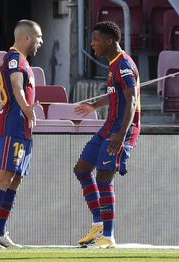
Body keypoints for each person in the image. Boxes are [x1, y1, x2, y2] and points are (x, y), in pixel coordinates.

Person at [0, 19, 43, 249]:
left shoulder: (25, 62)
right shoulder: (14, 58)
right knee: (5, 175)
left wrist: (29, 115)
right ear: (27, 38)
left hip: (23, 127)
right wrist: (27, 110)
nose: (41, 42)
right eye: (39, 38)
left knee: (16, 177)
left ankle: (0, 231)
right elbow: (16, 86)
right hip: (13, 123)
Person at [74, 21, 141, 248]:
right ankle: (98, 223)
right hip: (108, 126)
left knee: (104, 176)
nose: (92, 44)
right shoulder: (113, 64)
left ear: (109, 41)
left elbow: (131, 100)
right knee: (82, 169)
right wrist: (95, 105)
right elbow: (117, 95)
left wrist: (122, 136)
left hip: (121, 128)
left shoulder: (123, 65)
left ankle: (109, 237)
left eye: (96, 40)